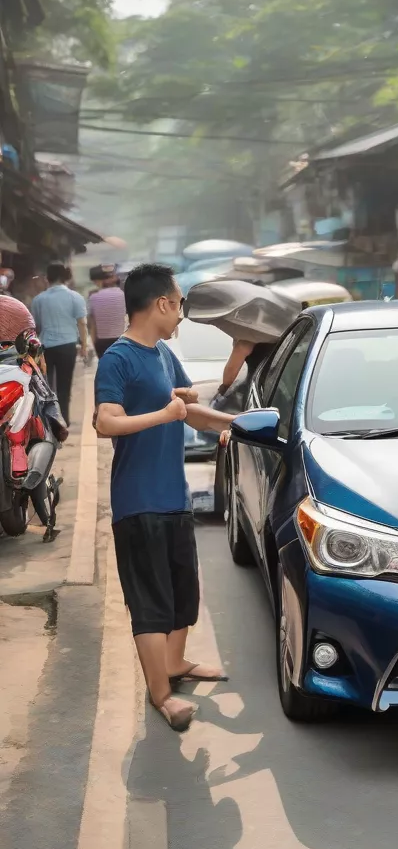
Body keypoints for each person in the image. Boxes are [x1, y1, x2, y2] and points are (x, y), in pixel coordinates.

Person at [94, 264, 239, 732]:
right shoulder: (118, 358)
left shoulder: (161, 353)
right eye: (178, 304)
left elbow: (187, 410)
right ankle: (161, 695)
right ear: (161, 304)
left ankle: (175, 665)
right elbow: (106, 422)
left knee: (183, 597)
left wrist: (233, 424)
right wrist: (164, 413)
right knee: (151, 604)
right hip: (138, 503)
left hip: (173, 498)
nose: (180, 315)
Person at [31, 262, 88, 424]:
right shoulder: (75, 297)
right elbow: (82, 323)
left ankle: (48, 419)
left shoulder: (38, 300)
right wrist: (84, 346)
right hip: (67, 346)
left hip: (45, 347)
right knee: (65, 385)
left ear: (47, 278)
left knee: (45, 385)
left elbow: (35, 325)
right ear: (66, 278)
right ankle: (64, 420)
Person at [87, 264, 127, 358]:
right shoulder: (124, 295)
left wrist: (92, 343)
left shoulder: (93, 297)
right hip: (121, 339)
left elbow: (92, 324)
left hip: (101, 342)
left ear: (99, 281)